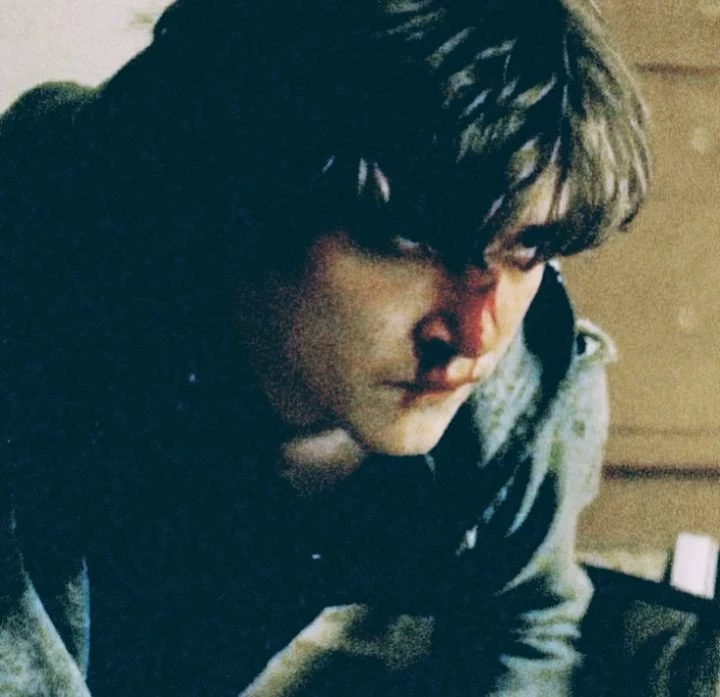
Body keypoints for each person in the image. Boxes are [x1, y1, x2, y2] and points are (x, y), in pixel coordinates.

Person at [0, 0, 650, 695]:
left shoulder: (516, 388)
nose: (475, 337)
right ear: (245, 191)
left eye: (527, 249)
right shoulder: (47, 302)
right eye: (411, 238)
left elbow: (530, 618)